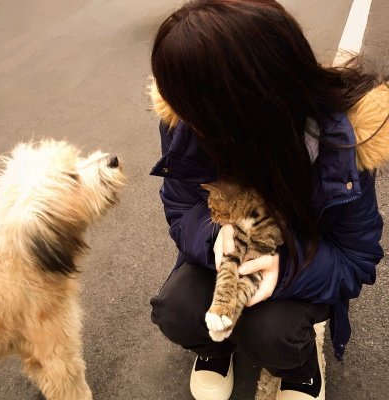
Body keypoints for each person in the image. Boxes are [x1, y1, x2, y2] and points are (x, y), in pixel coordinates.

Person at [148, 1, 389, 399]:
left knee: (271, 332)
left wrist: (287, 269)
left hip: (302, 259)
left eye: (199, 111)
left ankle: (300, 369)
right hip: (225, 259)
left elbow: (356, 258)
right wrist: (213, 240)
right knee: (175, 310)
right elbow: (180, 209)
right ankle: (215, 346)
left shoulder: (341, 141)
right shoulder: (184, 120)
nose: (187, 122)